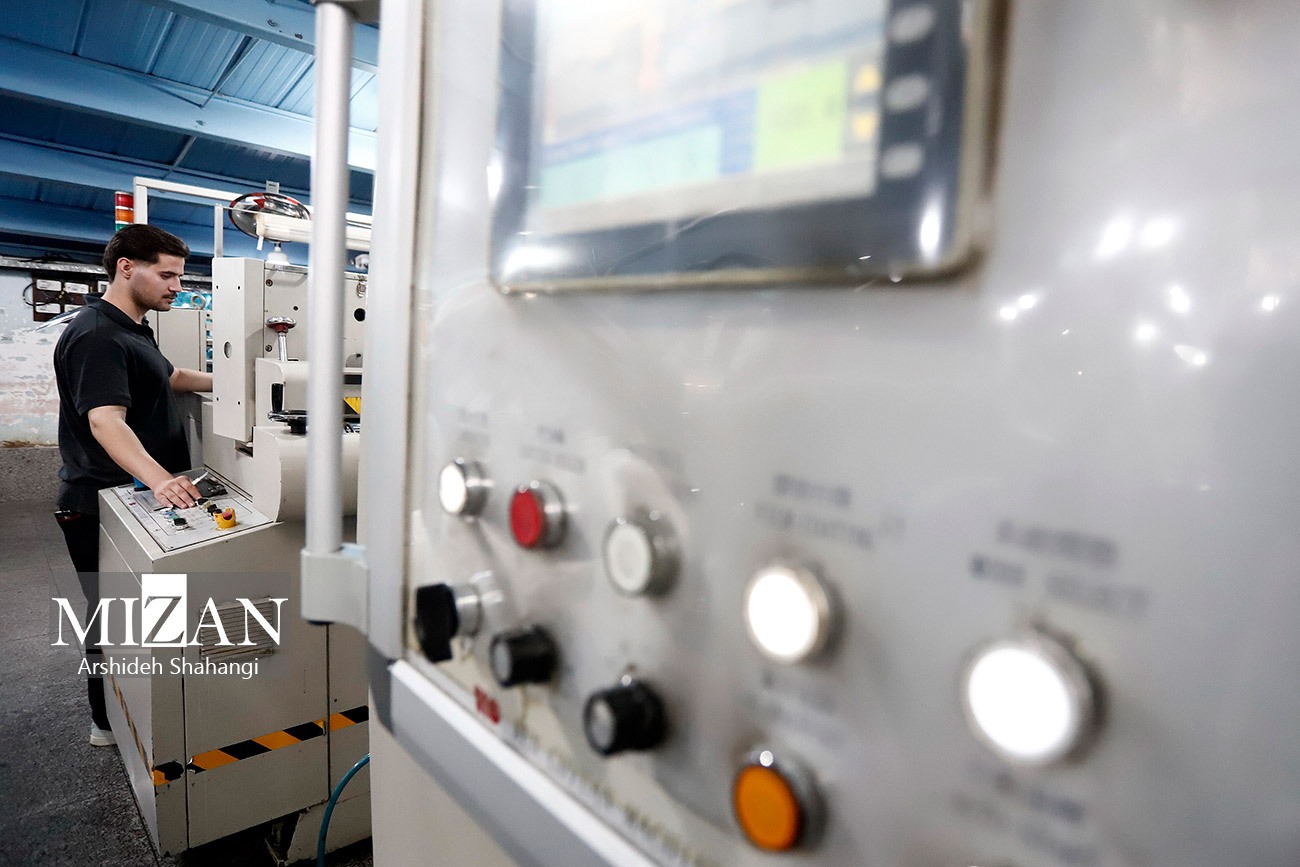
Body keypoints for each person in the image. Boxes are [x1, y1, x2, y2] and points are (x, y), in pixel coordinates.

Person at [52, 224, 213, 746]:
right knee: (110, 615)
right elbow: (106, 420)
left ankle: (145, 712)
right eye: (166, 275)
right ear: (127, 268)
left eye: (179, 276)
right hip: (100, 499)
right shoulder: (97, 334)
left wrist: (244, 381)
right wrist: (162, 480)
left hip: (130, 493)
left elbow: (169, 377)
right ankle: (105, 720)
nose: (177, 287)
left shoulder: (131, 328)